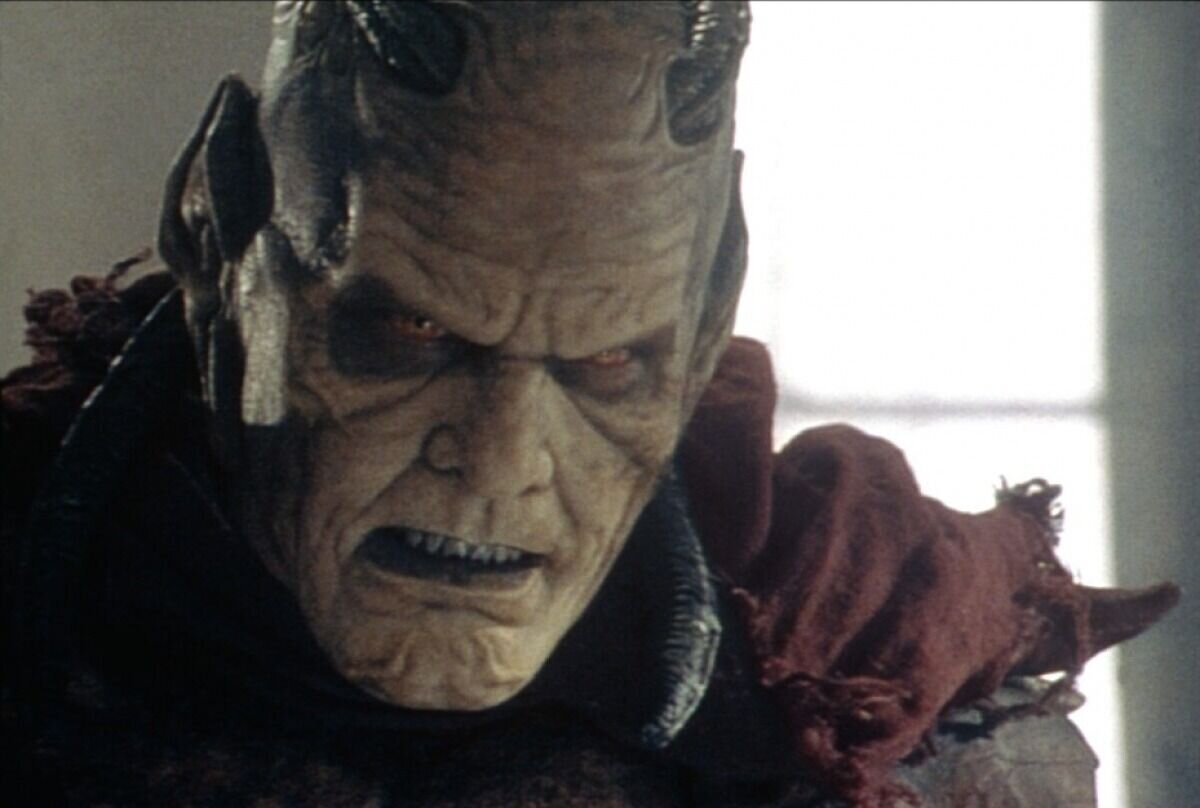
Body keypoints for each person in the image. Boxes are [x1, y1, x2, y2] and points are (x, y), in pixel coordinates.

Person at [0, 3, 1177, 806]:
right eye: (412, 335)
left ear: (712, 312)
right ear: (214, 232)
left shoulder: (863, 669)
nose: (504, 463)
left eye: (609, 362)